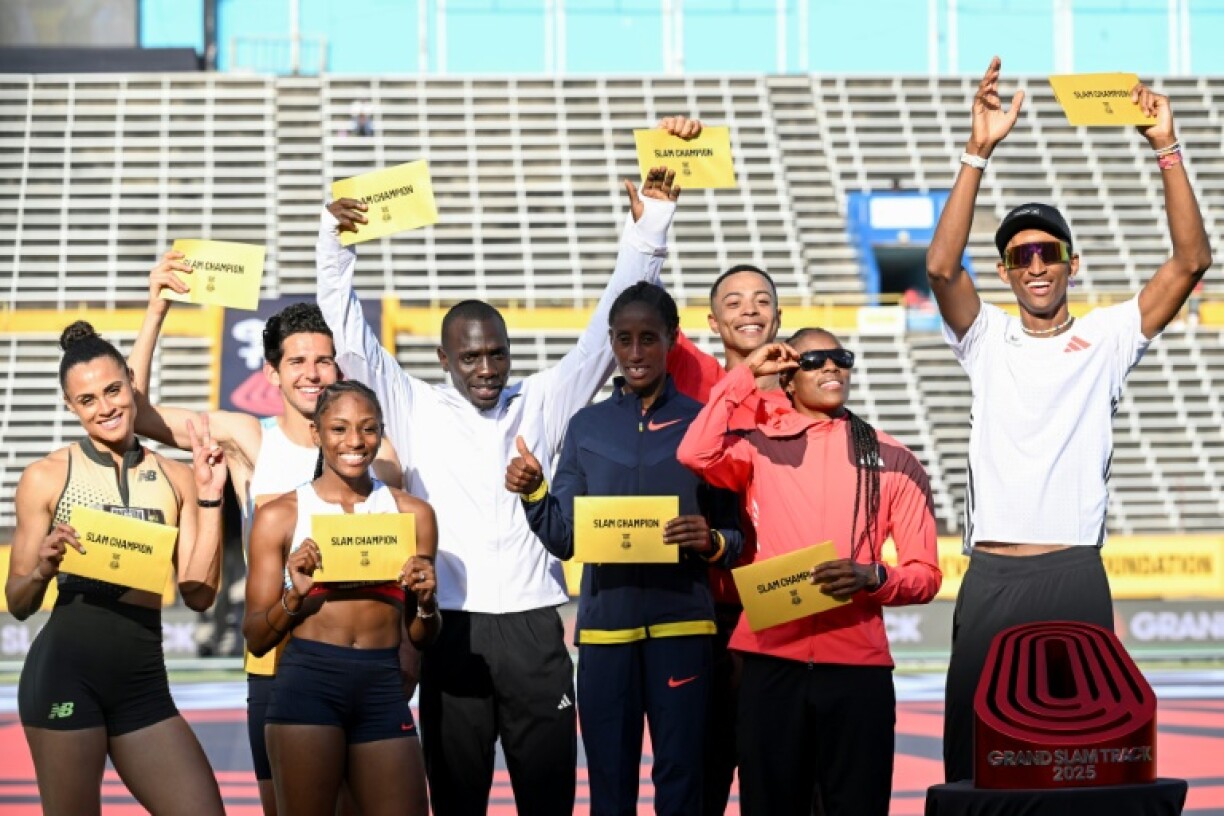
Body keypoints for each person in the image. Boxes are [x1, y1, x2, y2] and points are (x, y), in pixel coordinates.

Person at [317, 117, 696, 816]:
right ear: (444, 361)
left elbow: (601, 337)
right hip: (451, 629)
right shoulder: (412, 404)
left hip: (532, 627)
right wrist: (333, 244)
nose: (487, 369)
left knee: (547, 801)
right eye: (470, 358)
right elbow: (352, 339)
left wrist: (650, 232)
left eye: (497, 353)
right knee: (457, 801)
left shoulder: (543, 401)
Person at [925, 57, 1213, 783]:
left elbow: (1190, 261)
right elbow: (937, 267)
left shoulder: (1110, 338)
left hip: (1077, 574)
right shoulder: (985, 336)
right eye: (1020, 255)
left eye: (1048, 251)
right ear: (1006, 273)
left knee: (1079, 763)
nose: (1036, 265)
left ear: (1072, 262)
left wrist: (1165, 145)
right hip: (991, 573)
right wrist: (977, 152)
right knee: (974, 765)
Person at [129, 258, 404, 815]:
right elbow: (134, 414)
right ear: (272, 374)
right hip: (276, 664)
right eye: (297, 361)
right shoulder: (249, 438)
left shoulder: (380, 451)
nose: (313, 372)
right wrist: (156, 310)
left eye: (324, 360)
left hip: (363, 665)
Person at [677, 329, 941, 816]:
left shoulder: (895, 458)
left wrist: (874, 577)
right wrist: (746, 376)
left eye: (840, 358)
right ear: (789, 380)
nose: (830, 367)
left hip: (857, 670)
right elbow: (694, 453)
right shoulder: (757, 445)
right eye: (815, 359)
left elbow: (925, 574)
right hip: (770, 664)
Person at [504, 281, 742, 815]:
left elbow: (736, 534)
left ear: (672, 340)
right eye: (623, 339)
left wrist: (711, 541)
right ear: (611, 342)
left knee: (682, 776)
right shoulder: (586, 426)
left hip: (683, 627)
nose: (635, 354)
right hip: (606, 631)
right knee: (609, 782)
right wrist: (534, 492)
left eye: (648, 339)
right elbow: (565, 538)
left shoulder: (705, 424)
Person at [6, 321, 228, 816]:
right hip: (65, 677)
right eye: (88, 400)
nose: (105, 408)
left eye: (113, 390)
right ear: (71, 407)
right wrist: (43, 567)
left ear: (131, 381)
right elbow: (18, 602)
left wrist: (210, 499)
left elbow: (198, 594)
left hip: (143, 685)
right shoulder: (46, 476)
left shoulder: (178, 478)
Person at [243, 380, 439, 816]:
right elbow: (256, 637)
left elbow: (422, 636)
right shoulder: (279, 517)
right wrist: (294, 595)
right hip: (307, 685)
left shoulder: (413, 514)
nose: (355, 442)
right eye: (339, 429)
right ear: (316, 433)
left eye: (369, 429)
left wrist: (426, 602)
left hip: (383, 688)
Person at [665, 262, 788, 815]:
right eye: (734, 302)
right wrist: (653, 229)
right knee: (704, 771)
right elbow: (637, 310)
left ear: (779, 316)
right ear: (711, 322)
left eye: (762, 300)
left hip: (779, 610)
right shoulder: (695, 373)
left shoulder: (803, 393)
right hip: (702, 611)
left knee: (775, 771)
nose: (749, 311)